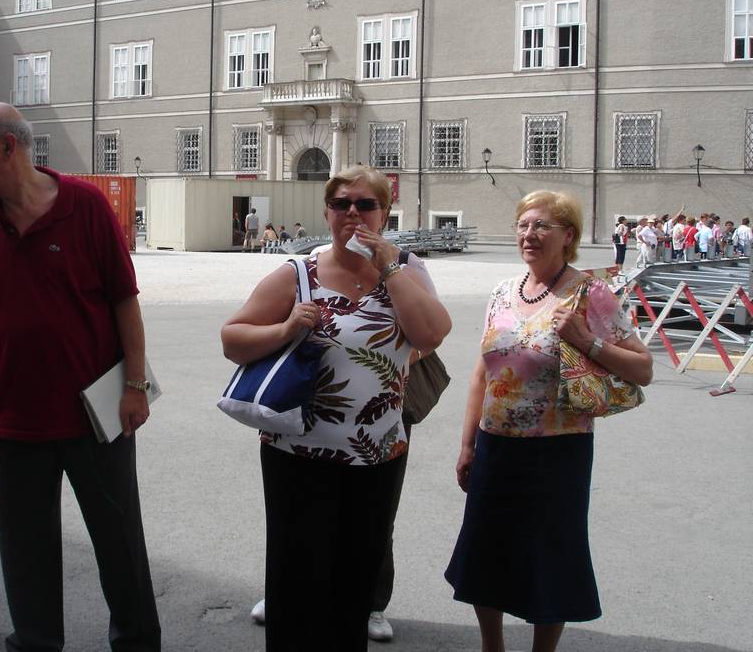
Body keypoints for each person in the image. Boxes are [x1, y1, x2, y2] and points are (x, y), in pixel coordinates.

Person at [0, 103, 161, 652]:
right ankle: (37, 643)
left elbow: (125, 301)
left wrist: (135, 386)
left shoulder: (85, 206)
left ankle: (137, 643)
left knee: (119, 542)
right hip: (15, 417)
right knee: (26, 550)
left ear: (8, 147)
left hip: (95, 414)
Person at [222, 165, 451, 651]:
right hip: (297, 455)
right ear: (326, 212)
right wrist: (285, 330)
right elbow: (233, 339)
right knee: (295, 577)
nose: (353, 213)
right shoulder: (297, 274)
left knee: (355, 582)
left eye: (366, 204)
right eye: (341, 203)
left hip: (377, 455)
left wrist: (389, 268)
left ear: (385, 212)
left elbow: (431, 334)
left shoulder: (404, 270)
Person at [445, 190, 653, 652]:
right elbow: (482, 373)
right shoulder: (503, 291)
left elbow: (643, 369)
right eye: (523, 225)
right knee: (486, 551)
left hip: (557, 451)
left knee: (551, 557)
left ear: (569, 236)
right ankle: (492, 647)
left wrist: (586, 340)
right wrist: (467, 445)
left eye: (541, 225)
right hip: (496, 445)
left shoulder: (590, 294)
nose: (529, 234)